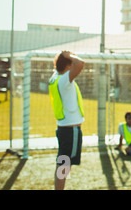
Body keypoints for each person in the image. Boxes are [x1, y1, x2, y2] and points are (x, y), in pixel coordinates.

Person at [49, 51, 85, 190]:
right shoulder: (64, 79)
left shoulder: (55, 78)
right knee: (64, 164)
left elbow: (76, 64)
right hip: (70, 130)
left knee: (63, 162)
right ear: (68, 64)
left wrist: (65, 57)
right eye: (71, 62)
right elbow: (80, 63)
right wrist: (69, 56)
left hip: (64, 128)